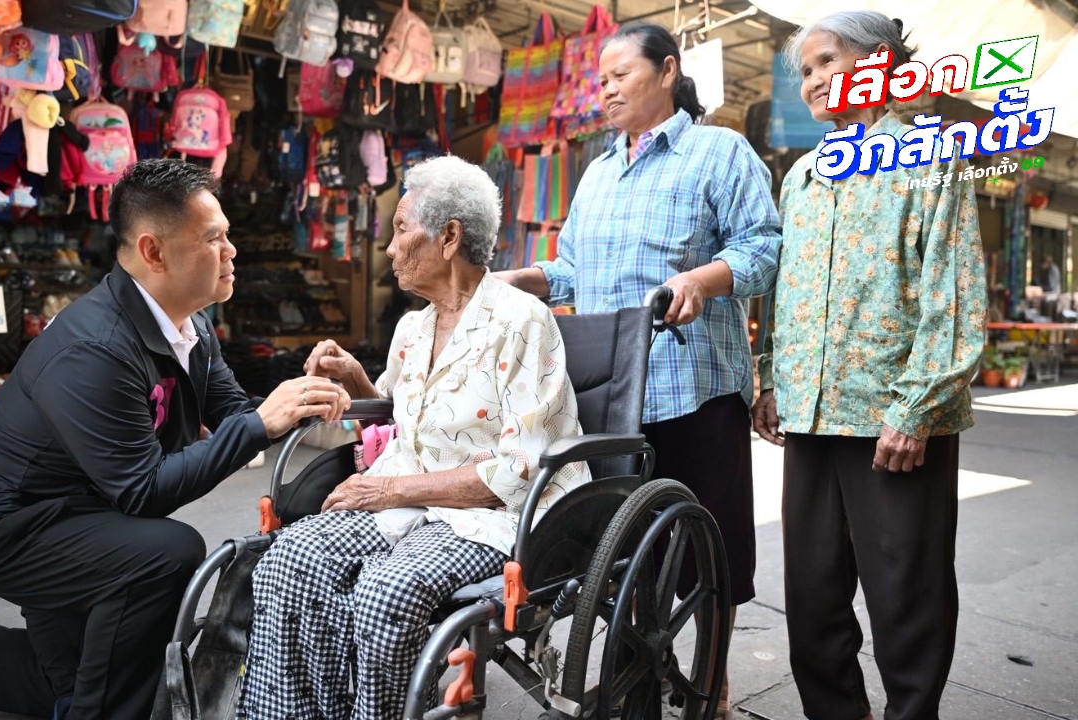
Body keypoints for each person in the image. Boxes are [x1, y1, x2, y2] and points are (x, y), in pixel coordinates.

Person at [0, 159, 351, 720]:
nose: (232, 250)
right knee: (165, 555)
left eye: (228, 235)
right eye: (214, 239)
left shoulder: (191, 325)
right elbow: (140, 492)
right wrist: (258, 424)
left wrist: (308, 406)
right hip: (9, 524)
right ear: (153, 251)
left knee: (76, 680)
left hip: (80, 511)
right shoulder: (97, 348)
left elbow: (232, 408)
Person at [236, 156, 592, 720]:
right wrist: (354, 378)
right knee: (287, 559)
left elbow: (517, 471)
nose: (390, 247)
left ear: (449, 237)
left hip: (491, 516)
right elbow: (401, 414)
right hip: (408, 504)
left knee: (384, 593)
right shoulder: (413, 326)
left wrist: (387, 491)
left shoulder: (521, 320)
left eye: (401, 230)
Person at [496, 21, 781, 715]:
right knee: (619, 549)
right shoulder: (596, 170)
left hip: (694, 387)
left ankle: (710, 683)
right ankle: (636, 674)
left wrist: (701, 282)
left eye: (620, 74)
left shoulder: (719, 151)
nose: (607, 88)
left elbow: (764, 249)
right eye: (601, 79)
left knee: (707, 543)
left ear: (666, 71)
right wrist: (509, 280)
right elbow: (573, 273)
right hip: (610, 396)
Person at [755, 11, 986, 720]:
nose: (815, 80)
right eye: (806, 71)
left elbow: (954, 295)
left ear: (880, 62)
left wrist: (915, 410)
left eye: (828, 60)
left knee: (905, 607)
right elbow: (783, 287)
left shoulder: (929, 157)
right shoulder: (800, 178)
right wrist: (770, 377)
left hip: (895, 421)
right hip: (812, 418)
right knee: (814, 610)